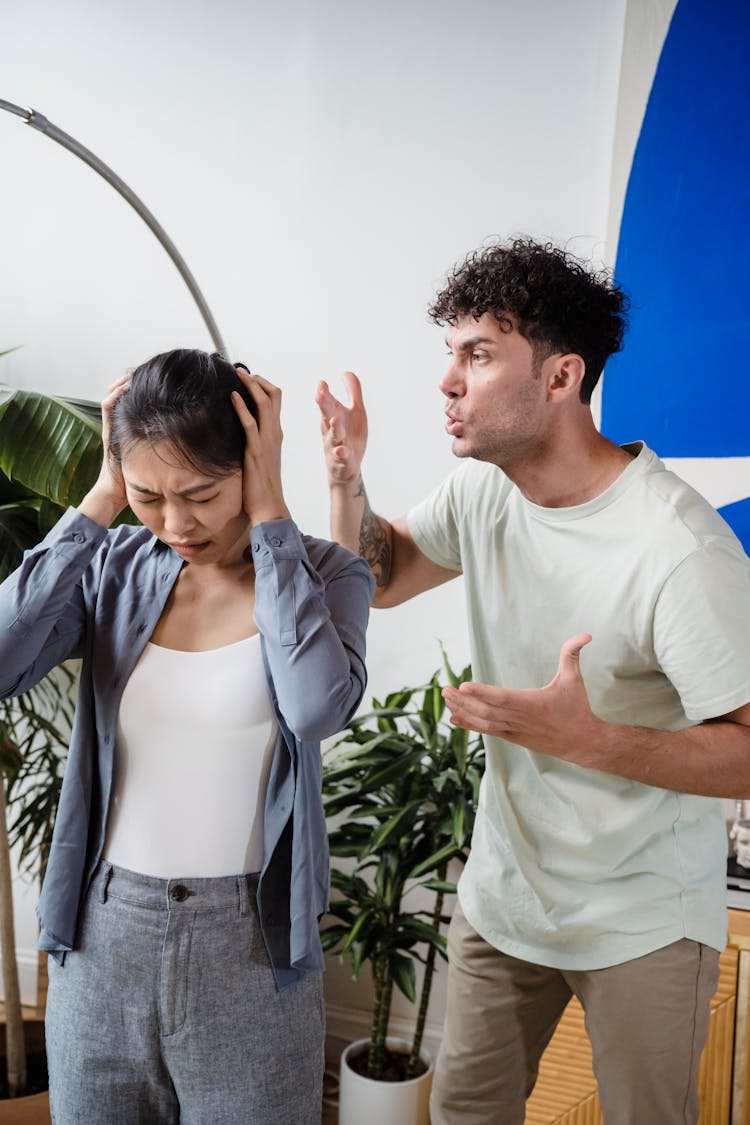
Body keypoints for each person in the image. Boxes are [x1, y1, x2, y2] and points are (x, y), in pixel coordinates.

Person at [316, 238, 750, 1125]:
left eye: (477, 355)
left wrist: (590, 740)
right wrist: (345, 480)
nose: (447, 380)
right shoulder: (487, 491)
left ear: (560, 378)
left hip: (644, 916)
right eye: (451, 352)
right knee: (465, 1115)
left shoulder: (678, 549)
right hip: (506, 897)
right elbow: (385, 572)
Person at [0, 349, 373, 1124]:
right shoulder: (117, 567)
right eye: (148, 495)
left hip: (251, 950)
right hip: (102, 941)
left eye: (200, 493)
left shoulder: (328, 575)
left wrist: (270, 518)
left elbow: (314, 708)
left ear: (253, 462)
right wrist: (103, 498)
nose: (175, 522)